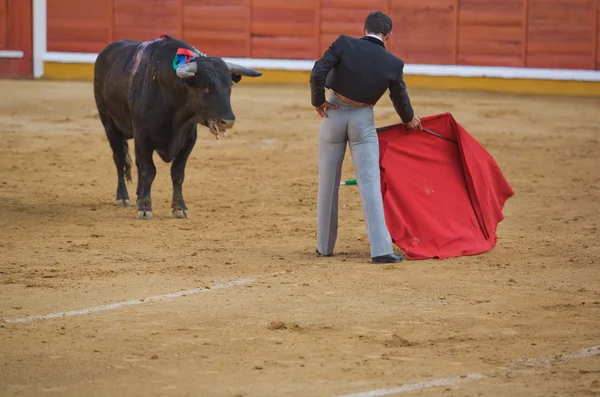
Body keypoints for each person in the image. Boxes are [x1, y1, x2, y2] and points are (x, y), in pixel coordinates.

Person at [310, 11, 421, 264]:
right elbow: (399, 97)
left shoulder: (343, 43)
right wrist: (409, 119)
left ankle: (324, 248)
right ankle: (380, 250)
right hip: (363, 121)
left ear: (364, 29)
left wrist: (318, 101)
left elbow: (318, 72)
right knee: (369, 183)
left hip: (333, 115)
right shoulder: (393, 63)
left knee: (328, 182)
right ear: (388, 35)